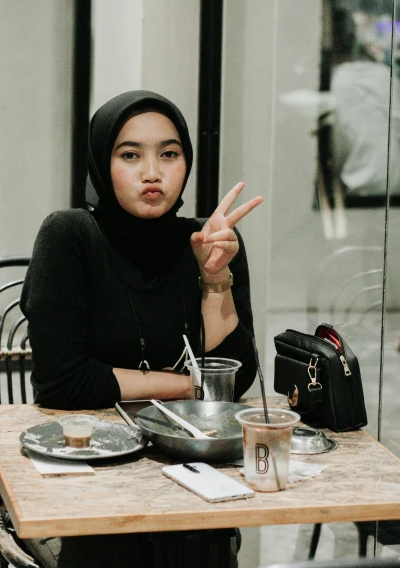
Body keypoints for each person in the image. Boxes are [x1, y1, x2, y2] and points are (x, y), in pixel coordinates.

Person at [20, 90, 263, 568]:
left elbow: (237, 378)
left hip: (190, 470)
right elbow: (63, 382)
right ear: (101, 163)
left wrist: (214, 279)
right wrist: (194, 386)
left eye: (169, 154)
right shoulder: (69, 236)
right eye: (130, 155)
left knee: (205, 547)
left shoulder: (208, 240)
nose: (152, 172)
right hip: (94, 476)